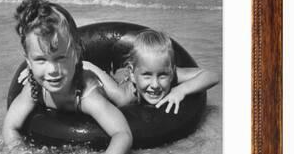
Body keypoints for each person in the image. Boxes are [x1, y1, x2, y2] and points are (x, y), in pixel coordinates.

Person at [2, 0, 133, 154]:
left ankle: (98, 69)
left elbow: (122, 133)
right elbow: (10, 124)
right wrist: (17, 151)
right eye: (40, 59)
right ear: (28, 61)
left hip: (90, 79)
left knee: (124, 99)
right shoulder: (34, 88)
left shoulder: (88, 96)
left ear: (76, 53)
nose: (52, 70)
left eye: (60, 57)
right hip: (75, 69)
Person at [83, 29, 219, 113]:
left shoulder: (173, 74)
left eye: (162, 75)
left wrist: (181, 90)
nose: (155, 84)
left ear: (171, 72)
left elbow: (212, 76)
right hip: (116, 80)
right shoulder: (124, 96)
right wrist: (88, 66)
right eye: (147, 75)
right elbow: (97, 73)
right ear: (133, 74)